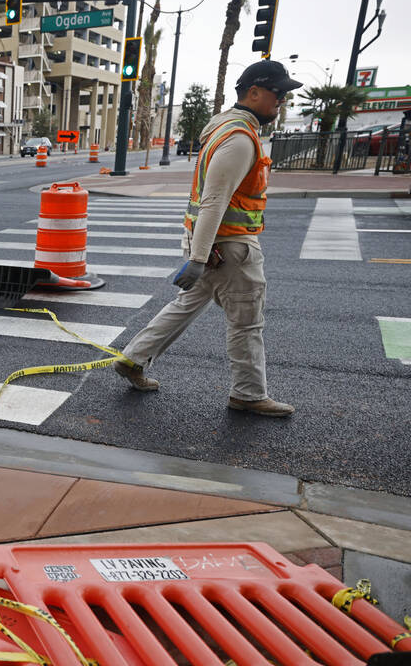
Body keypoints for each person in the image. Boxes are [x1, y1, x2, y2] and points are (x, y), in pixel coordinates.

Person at [113, 60, 302, 417]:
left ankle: (134, 358)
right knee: (247, 322)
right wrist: (199, 258)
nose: (281, 102)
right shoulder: (240, 139)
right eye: (278, 95)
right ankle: (248, 394)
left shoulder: (224, 128)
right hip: (228, 248)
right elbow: (214, 199)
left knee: (186, 304)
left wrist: (199, 254)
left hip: (210, 244)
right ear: (254, 93)